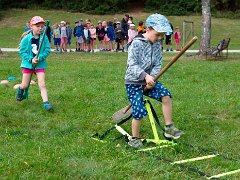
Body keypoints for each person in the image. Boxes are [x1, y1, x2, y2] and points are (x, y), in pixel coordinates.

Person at [125, 14, 184, 148]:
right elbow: (132, 64)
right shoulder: (136, 43)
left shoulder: (157, 44)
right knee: (138, 109)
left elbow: (158, 64)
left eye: (161, 36)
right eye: (157, 35)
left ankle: (169, 129)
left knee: (166, 96)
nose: (159, 38)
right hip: (133, 81)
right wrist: (145, 76)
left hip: (150, 80)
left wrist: (152, 77)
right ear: (148, 29)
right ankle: (134, 139)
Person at [17, 16, 52, 111]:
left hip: (40, 65)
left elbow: (47, 50)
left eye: (42, 26)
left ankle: (46, 103)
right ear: (31, 26)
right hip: (28, 65)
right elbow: (22, 52)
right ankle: (20, 89)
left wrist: (40, 57)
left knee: (42, 84)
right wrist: (31, 59)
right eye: (38, 26)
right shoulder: (26, 38)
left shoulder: (44, 38)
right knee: (24, 85)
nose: (41, 28)